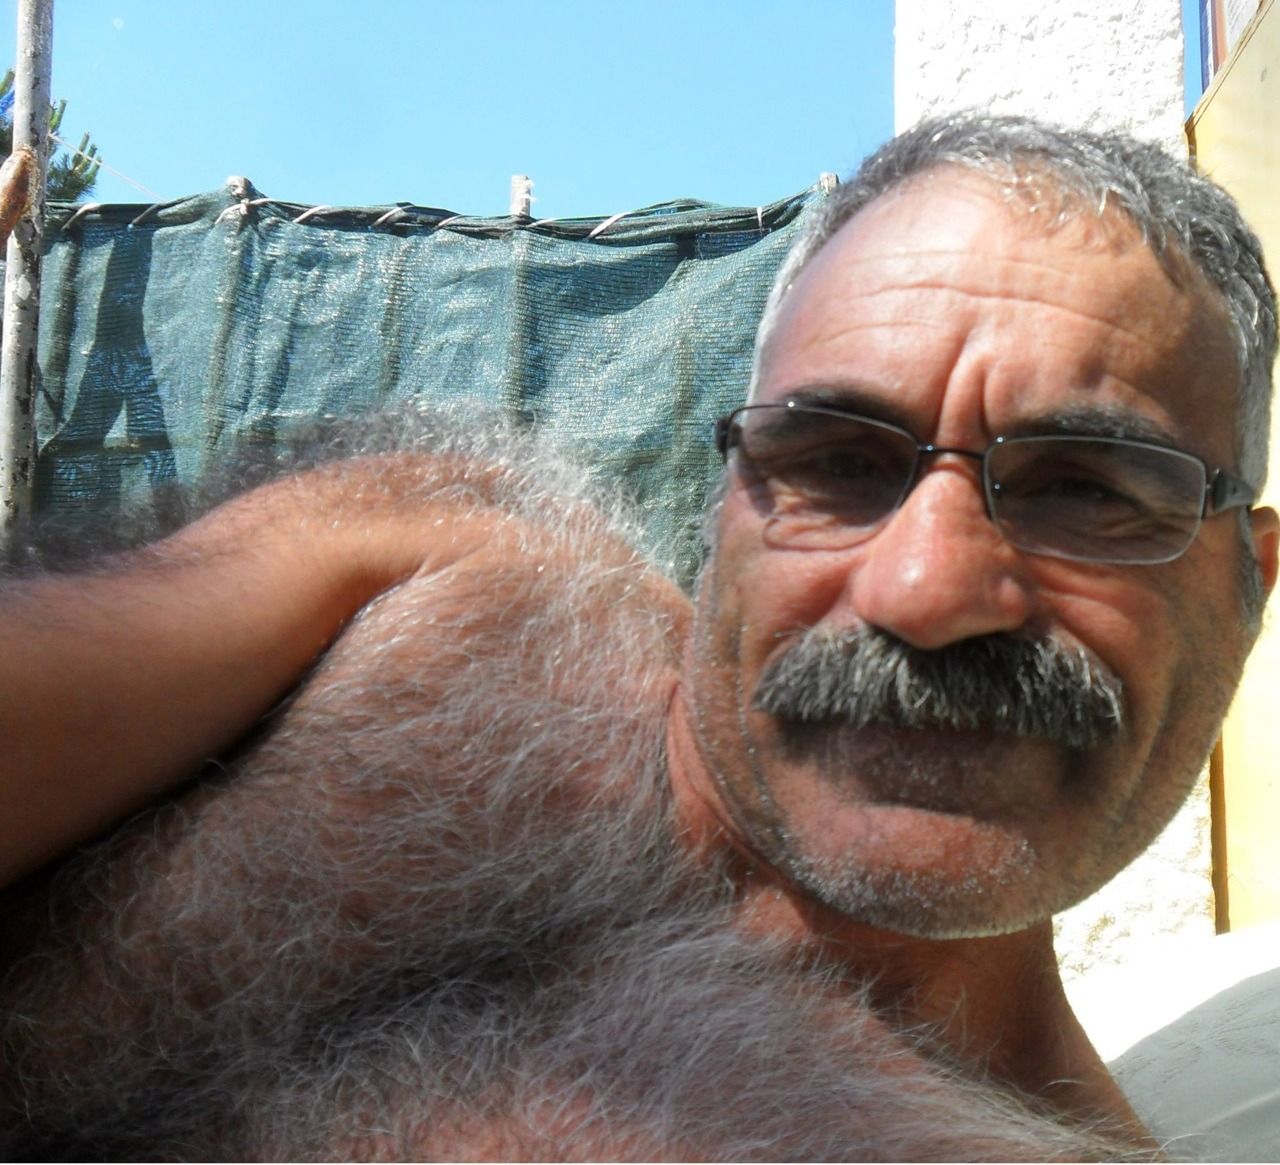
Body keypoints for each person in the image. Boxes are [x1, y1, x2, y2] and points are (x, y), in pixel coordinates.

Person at [0, 112, 1274, 1160]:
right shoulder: (444, 583)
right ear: (727, 507)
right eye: (833, 460)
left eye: (1086, 490)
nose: (923, 589)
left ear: (1247, 584)